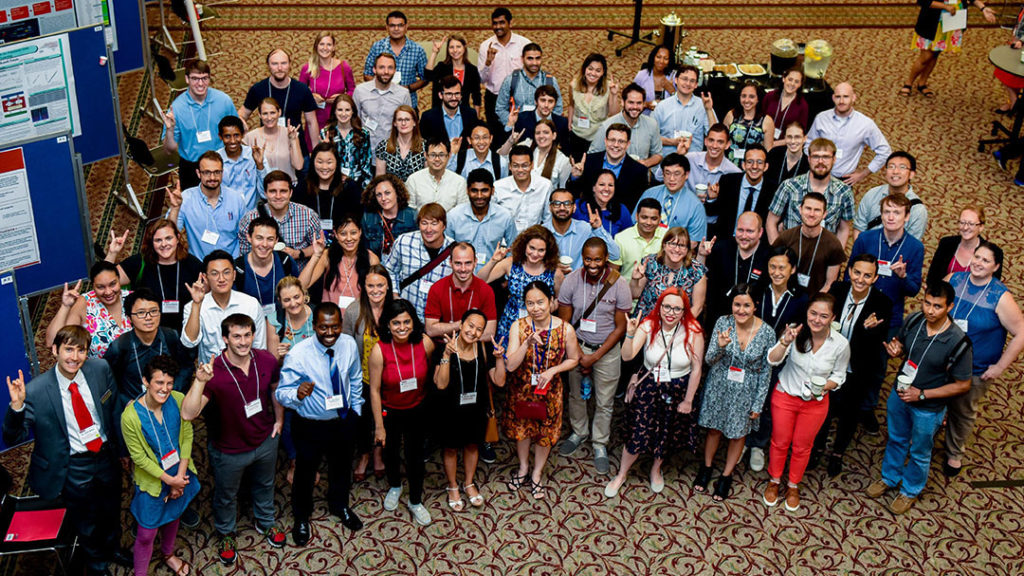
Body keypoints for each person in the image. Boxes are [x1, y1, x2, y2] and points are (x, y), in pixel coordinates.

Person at [4, 326, 123, 576]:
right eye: (68, 349)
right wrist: (16, 408)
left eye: (81, 350)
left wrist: (120, 451)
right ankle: (97, 565)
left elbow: (113, 410)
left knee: (111, 508)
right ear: (55, 350)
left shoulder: (99, 369)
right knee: (86, 519)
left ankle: (113, 549)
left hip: (104, 455)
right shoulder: (35, 391)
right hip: (72, 465)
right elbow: (14, 436)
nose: (74, 357)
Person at [181, 314, 285, 562]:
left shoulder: (266, 360)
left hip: (264, 439)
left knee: (265, 485)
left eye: (247, 335)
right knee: (226, 495)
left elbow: (274, 390)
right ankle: (226, 532)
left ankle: (265, 520)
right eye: (236, 336)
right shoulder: (213, 370)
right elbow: (187, 414)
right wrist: (198, 382)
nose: (243, 341)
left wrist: (279, 420)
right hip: (228, 449)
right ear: (225, 338)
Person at [867, 282, 972, 514]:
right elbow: (905, 348)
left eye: (937, 306)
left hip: (928, 406)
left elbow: (963, 384)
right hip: (900, 393)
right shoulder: (914, 320)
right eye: (927, 303)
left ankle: (910, 490)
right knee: (896, 438)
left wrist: (922, 394)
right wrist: (898, 351)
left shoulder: (958, 342)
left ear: (949, 307)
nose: (930, 310)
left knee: (920, 451)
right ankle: (890, 478)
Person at [277, 302, 366, 543]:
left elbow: (355, 378)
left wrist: (356, 410)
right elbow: (280, 393)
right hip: (310, 425)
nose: (330, 333)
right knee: (305, 474)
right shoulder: (299, 353)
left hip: (343, 422)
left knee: (341, 468)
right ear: (315, 326)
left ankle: (340, 506)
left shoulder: (348, 344)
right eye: (324, 327)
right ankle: (301, 517)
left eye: (335, 327)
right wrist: (296, 393)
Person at [603, 287, 703, 498]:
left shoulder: (693, 330)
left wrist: (688, 400)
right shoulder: (648, 325)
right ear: (659, 307)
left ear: (684, 311)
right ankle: (621, 474)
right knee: (638, 432)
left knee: (665, 433)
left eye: (677, 308)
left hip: (677, 388)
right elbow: (627, 357)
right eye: (666, 306)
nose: (671, 312)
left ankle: (656, 470)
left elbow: (697, 369)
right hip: (649, 385)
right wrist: (630, 334)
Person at [763, 294, 850, 511]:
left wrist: (823, 386)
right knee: (779, 442)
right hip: (785, 396)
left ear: (833, 318)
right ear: (807, 312)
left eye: (824, 316)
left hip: (816, 404)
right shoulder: (795, 331)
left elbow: (840, 375)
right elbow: (772, 360)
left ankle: (793, 485)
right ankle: (774, 481)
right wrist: (785, 341)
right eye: (813, 313)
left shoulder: (840, 344)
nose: (817, 319)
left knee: (803, 447)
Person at [945, 241, 1024, 476]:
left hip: (973, 368)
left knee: (962, 411)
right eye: (977, 257)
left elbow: (1021, 333)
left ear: (995, 266)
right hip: (941, 359)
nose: (978, 263)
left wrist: (1000, 367)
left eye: (986, 260)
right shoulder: (954, 280)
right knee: (931, 403)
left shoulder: (1000, 297)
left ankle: (954, 453)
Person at [810, 255, 892, 476]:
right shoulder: (836, 291)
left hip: (857, 370)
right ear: (849, 272)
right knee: (824, 410)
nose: (861, 279)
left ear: (875, 278)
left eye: (867, 275)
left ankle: (837, 452)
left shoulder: (882, 304)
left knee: (849, 414)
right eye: (857, 273)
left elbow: (880, 344)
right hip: (828, 366)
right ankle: (817, 447)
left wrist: (870, 330)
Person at [556, 238, 631, 474]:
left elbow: (620, 328)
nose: (592, 264)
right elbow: (566, 322)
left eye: (597, 259)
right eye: (588, 259)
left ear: (606, 258)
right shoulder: (571, 281)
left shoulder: (619, 284)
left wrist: (595, 356)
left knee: (605, 401)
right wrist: (579, 354)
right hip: (576, 346)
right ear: (583, 257)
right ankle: (579, 432)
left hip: (607, 351)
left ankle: (600, 443)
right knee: (576, 394)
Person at [695, 284, 776, 500]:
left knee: (738, 434)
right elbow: (709, 360)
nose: (741, 310)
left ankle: (726, 476)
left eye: (746, 305)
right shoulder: (723, 322)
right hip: (718, 385)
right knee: (713, 430)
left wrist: (758, 404)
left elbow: (766, 373)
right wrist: (720, 346)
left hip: (746, 392)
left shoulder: (768, 333)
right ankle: (707, 467)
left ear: (755, 306)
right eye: (737, 305)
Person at [122, 355, 199, 576]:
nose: (164, 389)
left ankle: (168, 554)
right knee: (147, 533)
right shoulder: (130, 417)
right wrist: (170, 481)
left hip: (180, 472)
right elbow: (139, 459)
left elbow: (187, 435)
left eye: (169, 383)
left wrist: (180, 477)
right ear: (146, 381)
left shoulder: (177, 398)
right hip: (153, 481)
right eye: (158, 382)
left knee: (174, 514)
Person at [503, 281, 581, 499]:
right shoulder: (518, 326)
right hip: (521, 390)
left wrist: (554, 370)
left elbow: (575, 359)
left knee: (545, 434)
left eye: (540, 302)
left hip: (550, 391)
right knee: (522, 431)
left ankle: (537, 472)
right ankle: (523, 468)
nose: (535, 308)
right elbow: (510, 365)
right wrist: (526, 344)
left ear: (551, 302)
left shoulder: (565, 329)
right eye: (530, 303)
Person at [369, 300, 437, 525]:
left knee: (415, 456)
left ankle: (415, 500)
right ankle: (395, 486)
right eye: (396, 322)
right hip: (390, 411)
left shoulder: (425, 343)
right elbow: (375, 390)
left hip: (417, 408)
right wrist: (379, 425)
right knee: (390, 453)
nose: (402, 327)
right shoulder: (379, 350)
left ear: (413, 322)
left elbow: (430, 378)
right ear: (388, 324)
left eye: (406, 321)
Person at [434, 309, 505, 510]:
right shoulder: (445, 348)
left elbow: (499, 381)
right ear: (461, 324)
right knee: (450, 448)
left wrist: (499, 358)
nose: (473, 332)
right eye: (470, 326)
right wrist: (447, 354)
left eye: (479, 329)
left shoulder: (483, 350)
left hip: (475, 409)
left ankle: (469, 482)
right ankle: (453, 486)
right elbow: (440, 384)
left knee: (472, 446)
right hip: (450, 410)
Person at [746, 246, 808, 471]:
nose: (777, 272)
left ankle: (758, 445)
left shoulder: (801, 298)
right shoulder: (756, 290)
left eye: (782, 267)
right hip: (751, 355)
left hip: (781, 360)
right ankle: (741, 439)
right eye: (772, 266)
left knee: (768, 402)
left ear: (792, 270)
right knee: (746, 397)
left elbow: (800, 330)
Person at [104, 289, 195, 434]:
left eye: (153, 311)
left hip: (169, 406)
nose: (148, 317)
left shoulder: (171, 337)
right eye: (141, 313)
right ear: (129, 317)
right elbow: (108, 381)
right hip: (136, 412)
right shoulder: (120, 347)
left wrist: (174, 392)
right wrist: (126, 401)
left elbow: (186, 367)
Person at [342, 264, 394, 482]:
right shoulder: (354, 311)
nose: (376, 290)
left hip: (390, 377)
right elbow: (344, 344)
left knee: (385, 417)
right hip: (362, 377)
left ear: (388, 286)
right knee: (362, 419)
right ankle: (364, 454)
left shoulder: (396, 309)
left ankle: (379, 452)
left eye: (380, 285)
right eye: (371, 285)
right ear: (363, 287)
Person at [103, 219, 202, 331]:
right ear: (152, 243)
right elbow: (105, 280)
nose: (164, 244)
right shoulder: (139, 262)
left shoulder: (192, 264)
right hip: (147, 334)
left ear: (178, 238)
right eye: (158, 240)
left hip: (186, 334)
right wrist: (112, 253)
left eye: (168, 238)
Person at [848, 194, 925, 331]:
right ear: (881, 215)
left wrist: (903, 277)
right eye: (886, 212)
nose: (890, 217)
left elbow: (913, 291)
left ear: (906, 217)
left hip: (891, 317)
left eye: (896, 213)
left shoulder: (915, 247)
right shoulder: (865, 239)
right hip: (859, 310)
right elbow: (848, 277)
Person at [481, 225, 562, 346]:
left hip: (540, 326)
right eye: (532, 248)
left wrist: (544, 310)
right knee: (506, 361)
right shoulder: (511, 264)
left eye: (541, 250)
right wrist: (493, 260)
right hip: (509, 324)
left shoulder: (555, 273)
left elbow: (560, 299)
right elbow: (481, 280)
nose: (535, 254)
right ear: (524, 246)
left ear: (547, 251)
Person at [163, 59, 238, 189]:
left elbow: (236, 133)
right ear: (187, 79)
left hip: (221, 163)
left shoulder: (224, 101)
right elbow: (169, 150)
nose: (200, 84)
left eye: (204, 78)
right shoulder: (177, 108)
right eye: (195, 79)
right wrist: (170, 130)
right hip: (191, 167)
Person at [181, 250, 268, 361]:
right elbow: (189, 342)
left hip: (245, 372)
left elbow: (259, 348)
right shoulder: (193, 306)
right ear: (205, 278)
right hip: (211, 373)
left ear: (234, 275)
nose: (221, 279)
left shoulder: (251, 305)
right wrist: (196, 304)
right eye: (214, 273)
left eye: (226, 272)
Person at [766, 138, 854, 246]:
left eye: (826, 157)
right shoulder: (789, 186)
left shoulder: (844, 192)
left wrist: (835, 261)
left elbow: (843, 230)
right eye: (816, 156)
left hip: (823, 257)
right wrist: (779, 254)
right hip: (789, 255)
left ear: (834, 159)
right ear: (809, 159)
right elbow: (771, 222)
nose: (820, 161)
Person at [901, 0, 996, 98]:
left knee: (935, 54)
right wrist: (945, 6)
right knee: (926, 56)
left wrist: (983, 8)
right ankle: (909, 83)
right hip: (932, 23)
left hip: (951, 22)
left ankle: (922, 83)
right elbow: (923, 1)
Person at [805, 83, 892, 186]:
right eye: (838, 97)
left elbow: (885, 151)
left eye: (846, 97)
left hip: (843, 180)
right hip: (817, 175)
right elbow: (808, 143)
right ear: (833, 98)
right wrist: (814, 163)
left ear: (853, 98)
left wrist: (863, 173)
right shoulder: (821, 118)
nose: (841, 101)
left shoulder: (866, 124)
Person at [166, 151, 248, 259]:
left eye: (217, 172)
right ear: (198, 173)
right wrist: (175, 209)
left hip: (231, 263)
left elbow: (245, 235)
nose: (212, 177)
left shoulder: (236, 199)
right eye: (207, 172)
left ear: (222, 173)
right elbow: (168, 233)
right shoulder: (185, 199)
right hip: (200, 265)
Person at [239, 48, 320, 154]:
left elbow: (311, 122)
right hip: (267, 151)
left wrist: (317, 152)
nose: (280, 68)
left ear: (289, 65)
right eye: (275, 64)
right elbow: (242, 114)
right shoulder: (258, 89)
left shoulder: (302, 89)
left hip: (297, 150)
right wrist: (241, 124)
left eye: (283, 63)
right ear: (268, 66)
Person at [46, 261, 131, 359]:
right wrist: (65, 306)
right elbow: (52, 342)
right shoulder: (85, 303)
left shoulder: (133, 298)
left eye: (112, 284)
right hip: (99, 372)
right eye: (100, 287)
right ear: (93, 286)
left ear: (119, 280)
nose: (108, 292)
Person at [237, 172, 322, 269]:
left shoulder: (308, 216)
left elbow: (318, 247)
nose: (278, 196)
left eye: (283, 191)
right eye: (273, 191)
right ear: (265, 193)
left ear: (291, 193)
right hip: (262, 278)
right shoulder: (249, 219)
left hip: (299, 278)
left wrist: (298, 253)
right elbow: (244, 255)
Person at [383, 203, 454, 317]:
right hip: (407, 316)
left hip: (437, 317)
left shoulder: (454, 251)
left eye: (434, 223)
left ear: (444, 226)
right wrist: (395, 295)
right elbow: (390, 270)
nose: (428, 229)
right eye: (424, 223)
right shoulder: (404, 242)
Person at [703, 212, 771, 325]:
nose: (744, 236)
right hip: (721, 319)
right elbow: (710, 291)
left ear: (760, 232)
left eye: (750, 231)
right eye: (740, 230)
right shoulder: (720, 250)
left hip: (754, 322)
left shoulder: (769, 257)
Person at [772, 193, 846, 295]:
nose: (811, 214)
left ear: (824, 214)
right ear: (800, 209)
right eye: (808, 208)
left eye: (817, 210)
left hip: (815, 302)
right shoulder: (786, 237)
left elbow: (829, 284)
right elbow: (772, 270)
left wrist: (813, 305)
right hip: (786, 298)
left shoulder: (833, 244)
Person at [300, 215, 380, 308]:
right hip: (331, 319)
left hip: (360, 318)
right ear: (336, 234)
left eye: (353, 233)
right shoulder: (328, 255)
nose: (349, 238)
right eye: (343, 234)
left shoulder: (371, 259)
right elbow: (301, 286)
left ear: (360, 232)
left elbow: (377, 294)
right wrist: (316, 255)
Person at [424, 242, 498, 343]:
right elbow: (431, 330)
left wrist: (460, 339)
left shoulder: (486, 290)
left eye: (468, 263)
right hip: (443, 346)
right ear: (450, 263)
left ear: (475, 262)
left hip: (473, 346)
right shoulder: (437, 288)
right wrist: (462, 324)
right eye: (458, 263)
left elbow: (489, 333)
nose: (463, 269)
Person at [479, 8, 532, 143]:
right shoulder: (485, 46)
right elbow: (481, 79)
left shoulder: (524, 44)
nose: (498, 27)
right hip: (494, 99)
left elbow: (533, 71)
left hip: (520, 99)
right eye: (495, 23)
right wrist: (488, 62)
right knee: (497, 138)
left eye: (502, 23)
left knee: (522, 136)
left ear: (510, 23)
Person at [446, 169, 518, 267]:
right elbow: (446, 252)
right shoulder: (453, 216)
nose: (479, 196)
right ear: (467, 190)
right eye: (474, 191)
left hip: (493, 276)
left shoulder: (505, 217)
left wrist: (505, 276)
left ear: (492, 191)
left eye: (484, 190)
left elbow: (513, 249)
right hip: (460, 275)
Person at [630, 227, 707, 319]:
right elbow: (635, 294)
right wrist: (635, 279)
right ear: (664, 245)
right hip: (645, 323)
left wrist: (677, 328)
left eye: (682, 245)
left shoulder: (696, 271)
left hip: (678, 327)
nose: (677, 249)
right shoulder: (650, 262)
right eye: (672, 244)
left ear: (687, 250)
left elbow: (697, 308)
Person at [569, 124, 650, 210]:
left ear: (628, 144)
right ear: (605, 141)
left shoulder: (639, 171)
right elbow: (573, 193)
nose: (616, 145)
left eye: (621, 141)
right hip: (588, 216)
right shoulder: (588, 161)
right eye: (612, 140)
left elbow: (638, 205)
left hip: (620, 220)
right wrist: (575, 177)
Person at [232, 216, 300, 320]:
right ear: (249, 238)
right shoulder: (238, 268)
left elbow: (299, 290)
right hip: (249, 328)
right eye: (259, 238)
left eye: (270, 239)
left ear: (276, 240)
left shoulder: (285, 261)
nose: (264, 244)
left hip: (283, 325)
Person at [852, 151, 928, 242]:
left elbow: (911, 245)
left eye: (902, 167)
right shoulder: (872, 194)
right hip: (866, 252)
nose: (895, 171)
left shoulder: (918, 209)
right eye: (891, 167)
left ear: (911, 174)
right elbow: (859, 228)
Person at [634, 154, 708, 242]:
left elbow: (694, 242)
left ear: (686, 174)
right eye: (667, 173)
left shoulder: (696, 206)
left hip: (677, 252)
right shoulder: (649, 193)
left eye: (677, 174)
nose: (671, 179)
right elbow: (634, 224)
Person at [362, 10, 428, 108]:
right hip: (381, 104)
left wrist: (407, 88)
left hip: (407, 105)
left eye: (400, 25)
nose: (396, 29)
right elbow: (367, 74)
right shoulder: (377, 47)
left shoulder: (417, 50)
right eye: (392, 25)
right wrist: (383, 87)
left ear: (406, 27)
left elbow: (425, 78)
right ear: (387, 27)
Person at [706, 145, 775, 238]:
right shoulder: (728, 181)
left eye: (759, 162)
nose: (754, 166)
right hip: (726, 240)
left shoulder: (773, 189)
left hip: (756, 244)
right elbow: (712, 212)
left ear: (766, 166)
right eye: (750, 162)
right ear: (743, 165)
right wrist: (712, 198)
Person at [589, 83, 664, 169]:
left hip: (640, 176)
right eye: (631, 103)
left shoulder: (652, 124)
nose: (635, 107)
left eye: (639, 103)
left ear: (644, 104)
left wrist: (645, 163)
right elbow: (592, 155)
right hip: (613, 177)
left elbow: (658, 154)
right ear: (622, 102)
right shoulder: (607, 126)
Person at [926, 205, 1000, 289]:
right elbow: (932, 278)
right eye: (962, 222)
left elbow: (993, 287)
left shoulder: (991, 252)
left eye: (971, 224)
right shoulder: (946, 244)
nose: (965, 228)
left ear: (981, 227)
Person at [545, 188, 621, 270]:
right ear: (550, 207)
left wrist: (598, 229)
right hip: (549, 281)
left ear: (574, 207)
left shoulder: (586, 229)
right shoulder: (542, 232)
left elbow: (615, 255)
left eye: (567, 204)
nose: (562, 208)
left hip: (579, 281)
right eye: (557, 203)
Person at [299, 32, 356, 137]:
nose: (325, 48)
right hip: (314, 120)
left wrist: (342, 98)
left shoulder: (344, 67)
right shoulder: (307, 68)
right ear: (316, 46)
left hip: (339, 119)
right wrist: (310, 97)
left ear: (334, 47)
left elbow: (353, 90)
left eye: (329, 44)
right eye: (321, 44)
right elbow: (299, 94)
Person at [352, 53, 413, 150]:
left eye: (390, 68)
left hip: (393, 151)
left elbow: (408, 126)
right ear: (374, 69)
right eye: (381, 67)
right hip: (366, 150)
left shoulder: (403, 94)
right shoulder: (360, 91)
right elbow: (354, 121)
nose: (386, 72)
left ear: (395, 71)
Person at [495, 43, 563, 129]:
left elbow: (558, 108)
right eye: (530, 59)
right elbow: (500, 108)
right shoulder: (511, 80)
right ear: (522, 59)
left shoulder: (550, 80)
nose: (534, 63)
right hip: (519, 128)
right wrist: (512, 124)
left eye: (537, 58)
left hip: (543, 129)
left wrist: (547, 126)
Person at [566, 53, 621, 158]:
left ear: (603, 73)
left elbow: (615, 114)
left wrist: (614, 95)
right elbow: (571, 104)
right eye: (590, 69)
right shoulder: (573, 85)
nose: (593, 73)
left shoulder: (608, 87)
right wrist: (569, 122)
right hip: (577, 133)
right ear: (584, 69)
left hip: (597, 137)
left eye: (598, 70)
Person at [300, 143, 363, 232]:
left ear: (337, 163)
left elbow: (357, 219)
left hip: (343, 239)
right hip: (310, 239)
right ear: (313, 163)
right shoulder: (303, 187)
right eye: (320, 162)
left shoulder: (349, 187)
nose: (324, 167)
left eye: (329, 162)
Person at [653, 64, 713, 157]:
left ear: (696, 84)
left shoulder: (703, 106)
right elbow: (651, 138)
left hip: (693, 162)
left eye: (692, 81)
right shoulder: (662, 107)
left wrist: (709, 110)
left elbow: (715, 135)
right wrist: (672, 142)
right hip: (666, 163)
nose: (688, 84)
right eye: (684, 79)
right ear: (676, 80)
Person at [493, 145, 555, 234]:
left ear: (532, 165)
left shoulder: (545, 185)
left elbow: (548, 219)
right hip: (505, 242)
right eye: (515, 166)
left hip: (534, 240)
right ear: (509, 166)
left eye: (525, 166)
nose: (520, 170)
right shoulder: (498, 187)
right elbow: (493, 219)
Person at [242, 97, 304, 184]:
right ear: (259, 115)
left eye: (272, 113)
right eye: (265, 113)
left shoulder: (290, 134)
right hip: (261, 189)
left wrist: (293, 140)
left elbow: (298, 166)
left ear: (279, 112)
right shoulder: (250, 137)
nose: (269, 117)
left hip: (287, 188)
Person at [320, 95, 374, 191]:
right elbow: (322, 164)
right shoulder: (326, 133)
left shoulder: (363, 134)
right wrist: (326, 148)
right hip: (333, 185)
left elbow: (366, 166)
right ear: (334, 112)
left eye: (347, 110)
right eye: (340, 110)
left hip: (357, 185)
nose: (343, 114)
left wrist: (367, 190)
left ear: (353, 111)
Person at [217, 115, 267, 212]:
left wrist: (260, 166)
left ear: (243, 134)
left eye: (236, 135)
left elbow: (265, 193)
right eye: (227, 136)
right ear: (220, 137)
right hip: (226, 213)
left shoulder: (254, 155)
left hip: (253, 213)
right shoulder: (215, 160)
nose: (232, 141)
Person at [683, 123, 741, 205]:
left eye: (720, 142)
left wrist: (713, 199)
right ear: (705, 141)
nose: (714, 146)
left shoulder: (734, 172)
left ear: (727, 145)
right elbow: (659, 176)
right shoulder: (690, 159)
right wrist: (677, 156)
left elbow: (730, 207)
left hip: (712, 217)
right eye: (711, 140)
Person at [360, 174, 419, 256]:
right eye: (379, 195)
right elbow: (365, 250)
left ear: (397, 193)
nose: (383, 198)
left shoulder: (412, 216)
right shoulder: (368, 218)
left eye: (387, 193)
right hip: (377, 266)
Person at [405, 138, 468, 210]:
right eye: (433, 155)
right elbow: (409, 212)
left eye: (441, 155)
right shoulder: (413, 180)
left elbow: (462, 213)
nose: (437, 159)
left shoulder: (459, 182)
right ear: (425, 155)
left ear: (449, 155)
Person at [612, 198, 665, 281]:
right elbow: (613, 272)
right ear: (637, 216)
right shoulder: (621, 238)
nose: (648, 222)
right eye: (644, 217)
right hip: (627, 291)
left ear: (659, 219)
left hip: (658, 292)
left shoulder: (667, 237)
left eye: (653, 219)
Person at [426, 36, 482, 113]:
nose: (455, 50)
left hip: (463, 112)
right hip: (442, 113)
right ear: (448, 50)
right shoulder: (442, 67)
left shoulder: (472, 70)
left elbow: (476, 97)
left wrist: (476, 119)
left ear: (464, 48)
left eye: (458, 47)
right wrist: (434, 52)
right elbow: (428, 75)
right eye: (451, 47)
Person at [722, 82, 775, 163]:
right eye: (743, 96)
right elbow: (721, 141)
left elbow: (768, 151)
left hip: (753, 167)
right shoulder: (731, 115)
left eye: (751, 97)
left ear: (758, 99)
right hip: (729, 164)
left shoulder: (767, 121)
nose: (747, 100)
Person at [573, 170, 633, 236]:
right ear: (593, 188)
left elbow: (628, 237)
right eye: (602, 184)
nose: (606, 189)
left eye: (610, 185)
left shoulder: (622, 210)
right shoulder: (578, 206)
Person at [420, 74, 480, 142]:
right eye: (449, 94)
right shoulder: (428, 117)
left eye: (457, 93)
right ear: (440, 95)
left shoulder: (471, 114)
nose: (454, 98)